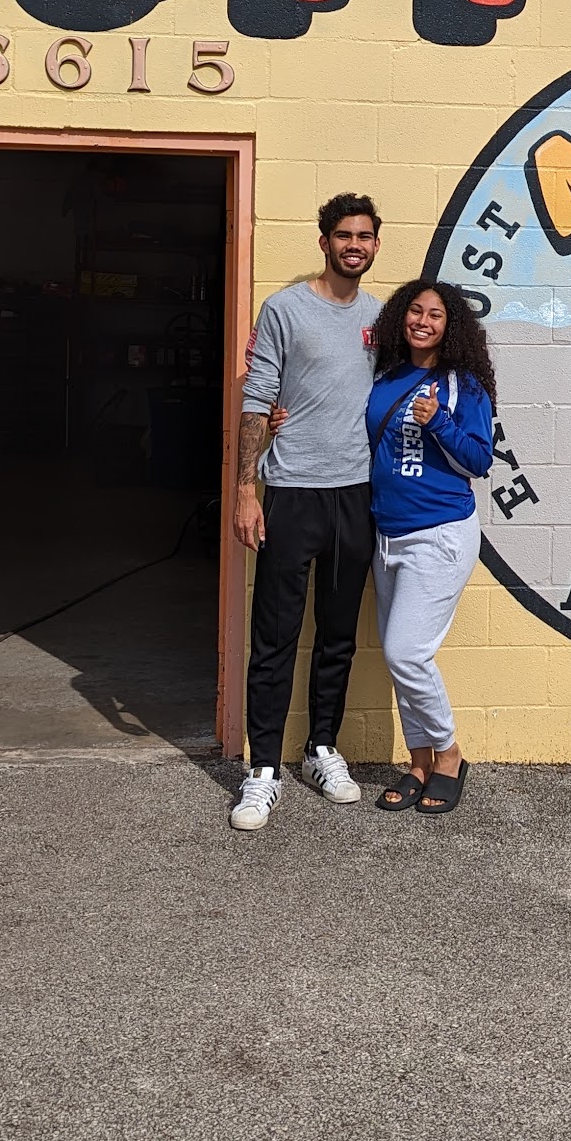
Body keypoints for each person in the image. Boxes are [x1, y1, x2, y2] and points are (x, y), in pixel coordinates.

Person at [229, 193, 382, 832]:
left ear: (376, 245)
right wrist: (246, 490)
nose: (354, 246)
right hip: (292, 492)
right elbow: (257, 397)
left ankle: (322, 750)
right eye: (344, 235)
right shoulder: (285, 309)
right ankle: (263, 769)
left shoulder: (382, 317)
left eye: (364, 237)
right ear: (324, 242)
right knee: (275, 636)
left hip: (358, 494)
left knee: (338, 634)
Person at [366, 280, 495, 815]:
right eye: (415, 311)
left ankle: (449, 753)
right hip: (386, 536)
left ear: (450, 325)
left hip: (438, 535)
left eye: (435, 314)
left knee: (406, 652)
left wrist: (437, 421)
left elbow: (479, 461)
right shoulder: (386, 376)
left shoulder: (464, 385)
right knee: (401, 660)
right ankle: (419, 762)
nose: (422, 321)